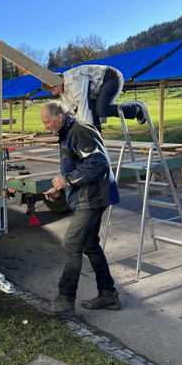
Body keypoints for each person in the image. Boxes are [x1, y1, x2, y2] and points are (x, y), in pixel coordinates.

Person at [39, 100, 121, 316]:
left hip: (92, 198)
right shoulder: (67, 133)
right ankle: (108, 295)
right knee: (90, 246)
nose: (45, 127)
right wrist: (62, 189)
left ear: (59, 117)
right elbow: (79, 165)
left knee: (71, 244)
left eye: (47, 122)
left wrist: (67, 180)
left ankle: (65, 300)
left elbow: (98, 163)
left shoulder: (80, 130)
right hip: (85, 196)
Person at [49, 64, 146, 132]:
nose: (53, 93)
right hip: (96, 87)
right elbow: (69, 111)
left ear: (57, 82)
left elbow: (83, 104)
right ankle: (95, 143)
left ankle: (137, 110)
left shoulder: (72, 82)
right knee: (93, 116)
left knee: (102, 109)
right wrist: (63, 128)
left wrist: (86, 129)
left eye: (53, 89)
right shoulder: (64, 91)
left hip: (111, 77)